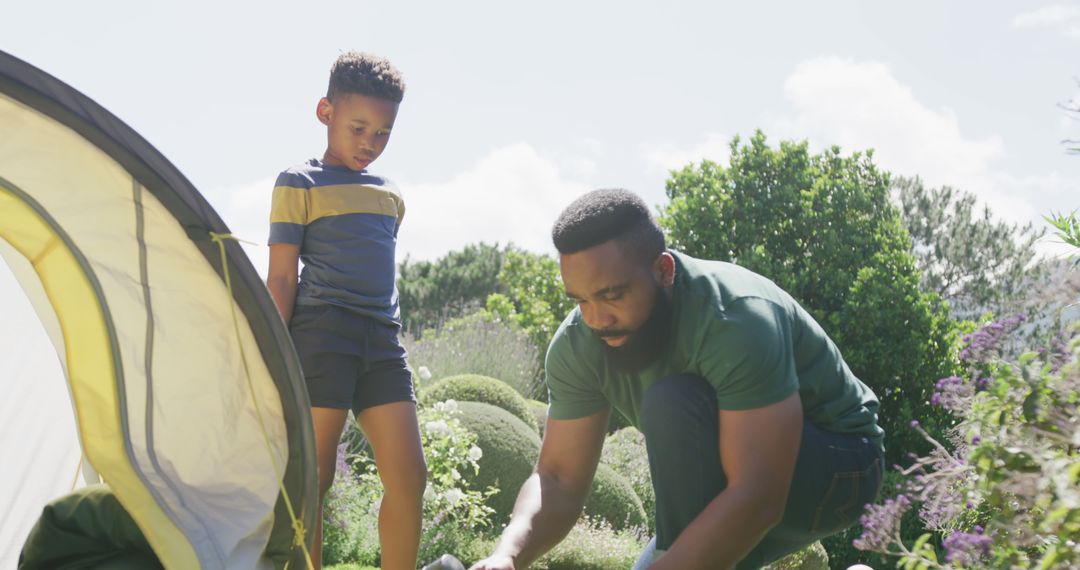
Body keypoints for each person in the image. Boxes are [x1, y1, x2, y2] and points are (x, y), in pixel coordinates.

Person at [470, 189, 885, 570]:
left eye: (613, 295)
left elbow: (758, 496)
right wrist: (506, 555)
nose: (597, 319)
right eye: (581, 300)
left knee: (673, 403)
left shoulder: (736, 319)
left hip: (839, 467)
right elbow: (558, 478)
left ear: (664, 270)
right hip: (739, 478)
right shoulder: (578, 345)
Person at [266, 51, 426, 570]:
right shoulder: (298, 182)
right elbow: (283, 276)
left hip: (381, 340)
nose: (370, 143)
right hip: (322, 333)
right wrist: (274, 352)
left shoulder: (391, 195)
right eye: (359, 127)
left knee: (409, 474)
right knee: (315, 476)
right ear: (325, 112)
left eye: (383, 133)